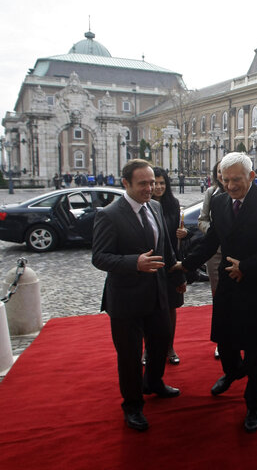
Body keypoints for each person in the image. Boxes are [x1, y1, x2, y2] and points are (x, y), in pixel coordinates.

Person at [177, 152, 257, 433]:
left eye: (236, 179)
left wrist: (247, 267)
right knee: (225, 342)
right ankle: (232, 372)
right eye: (225, 180)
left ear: (251, 176)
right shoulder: (218, 200)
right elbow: (211, 240)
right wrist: (185, 265)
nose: (230, 186)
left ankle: (253, 404)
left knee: (255, 350)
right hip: (228, 282)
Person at [91, 159, 185, 432]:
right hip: (126, 300)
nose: (150, 188)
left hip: (157, 294)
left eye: (152, 182)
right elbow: (99, 257)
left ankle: (153, 383)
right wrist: (135, 262)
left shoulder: (154, 207)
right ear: (126, 184)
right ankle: (132, 406)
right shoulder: (108, 215)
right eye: (143, 183)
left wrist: (177, 277)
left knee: (159, 344)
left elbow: (166, 248)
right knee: (130, 356)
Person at [142, 167, 188, 366]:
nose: (158, 187)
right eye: (155, 183)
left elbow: (175, 241)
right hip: (149, 264)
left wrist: (183, 235)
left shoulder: (173, 204)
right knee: (148, 310)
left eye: (162, 183)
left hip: (169, 264)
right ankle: (148, 350)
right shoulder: (144, 205)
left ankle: (169, 347)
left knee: (170, 309)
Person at [198, 161, 225, 359]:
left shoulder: (246, 193)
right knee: (219, 298)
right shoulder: (211, 193)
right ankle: (221, 341)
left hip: (240, 254)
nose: (223, 175)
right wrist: (216, 233)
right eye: (219, 172)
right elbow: (202, 220)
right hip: (216, 253)